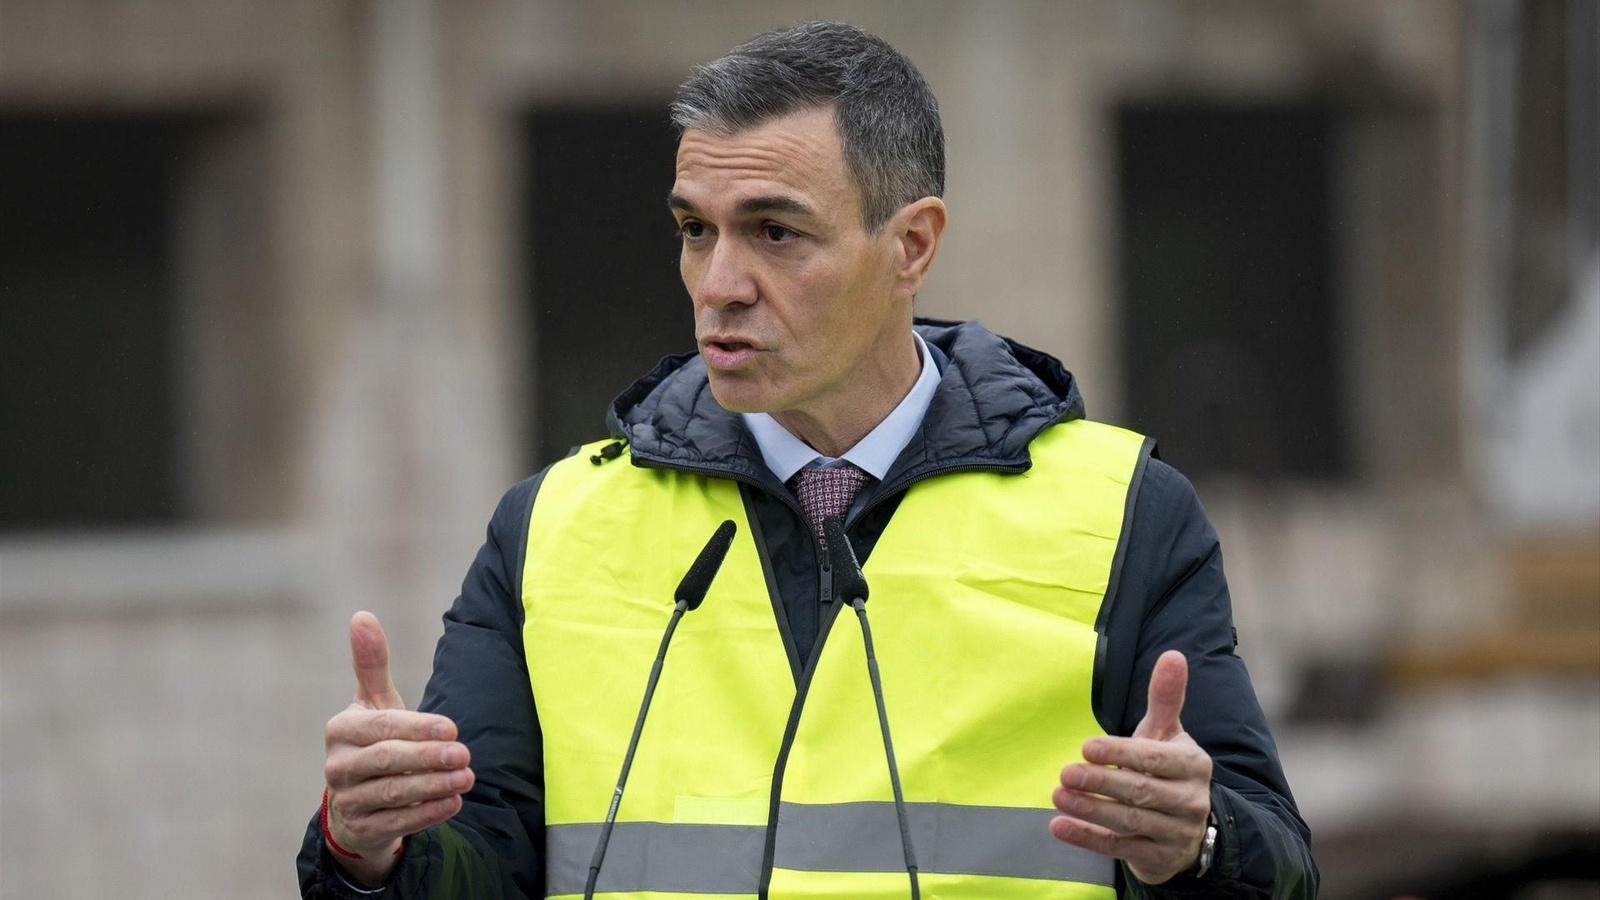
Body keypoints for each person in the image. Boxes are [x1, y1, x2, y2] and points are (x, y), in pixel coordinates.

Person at [298, 21, 1317, 899]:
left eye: (775, 233)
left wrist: (1201, 846)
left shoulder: (1126, 518)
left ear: (911, 245)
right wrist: (372, 848)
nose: (719, 283)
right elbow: (475, 868)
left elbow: (1279, 868)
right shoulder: (549, 529)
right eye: (696, 230)